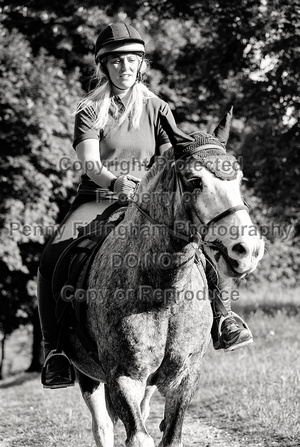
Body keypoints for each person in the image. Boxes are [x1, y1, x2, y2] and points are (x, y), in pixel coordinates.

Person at [37, 22, 253, 389]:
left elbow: (171, 159)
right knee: (54, 256)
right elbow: (89, 162)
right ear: (104, 66)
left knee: (196, 245)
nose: (125, 67)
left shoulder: (157, 107)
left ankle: (223, 319)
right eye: (117, 61)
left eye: (132, 60)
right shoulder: (90, 108)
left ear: (142, 64)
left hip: (149, 201)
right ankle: (56, 350)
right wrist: (116, 182)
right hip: (98, 197)